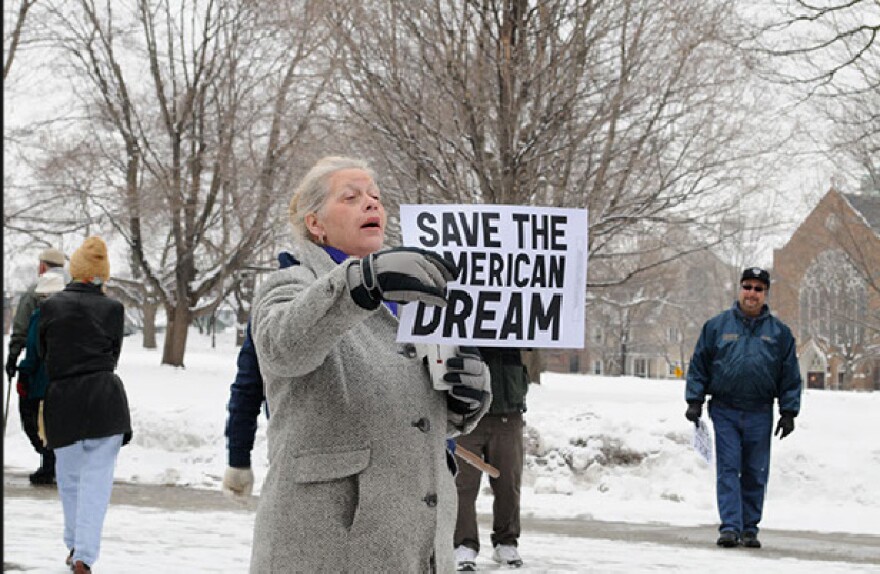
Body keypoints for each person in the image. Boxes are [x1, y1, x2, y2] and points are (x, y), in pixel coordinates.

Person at [248, 156, 491, 572]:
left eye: (376, 197)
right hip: (328, 547)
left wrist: (463, 402)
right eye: (352, 197)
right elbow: (281, 348)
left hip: (415, 546)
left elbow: (407, 417)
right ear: (315, 224)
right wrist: (361, 281)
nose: (372, 204)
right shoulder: (291, 284)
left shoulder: (406, 303)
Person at [685, 267, 802, 550]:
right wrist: (694, 400)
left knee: (755, 470)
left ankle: (749, 528)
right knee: (728, 467)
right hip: (725, 409)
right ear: (739, 290)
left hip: (760, 411)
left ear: (765, 294)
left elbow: (790, 375)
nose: (752, 293)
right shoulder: (716, 327)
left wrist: (789, 412)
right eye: (747, 287)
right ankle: (730, 527)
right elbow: (699, 364)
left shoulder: (780, 334)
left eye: (758, 289)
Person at [39, 236, 133, 573]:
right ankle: (84, 556)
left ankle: (74, 544)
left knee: (69, 479)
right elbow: (114, 354)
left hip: (63, 399)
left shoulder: (50, 306)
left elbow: (42, 353)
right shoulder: (114, 309)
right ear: (102, 275)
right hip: (105, 398)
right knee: (97, 481)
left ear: (75, 270)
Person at [222, 253, 297, 498]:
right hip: (300, 462)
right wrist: (238, 459)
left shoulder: (393, 284)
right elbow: (249, 383)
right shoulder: (283, 295)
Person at [454, 347, 530, 570]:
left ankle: (506, 541)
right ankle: (463, 544)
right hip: (465, 411)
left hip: (508, 410)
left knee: (508, 482)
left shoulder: (518, 316)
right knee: (462, 484)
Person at [5, 247, 67, 484]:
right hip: (68, 370)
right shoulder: (76, 289)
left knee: (32, 416)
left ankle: (49, 460)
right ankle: (56, 461)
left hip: (40, 371)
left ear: (42, 266)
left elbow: (23, 332)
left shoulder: (36, 294)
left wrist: (13, 360)